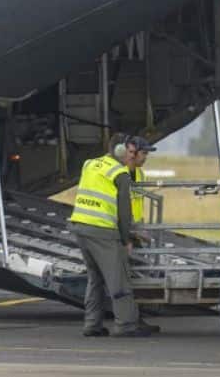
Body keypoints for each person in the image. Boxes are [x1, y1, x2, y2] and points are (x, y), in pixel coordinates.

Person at [68, 135, 159, 338]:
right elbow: (124, 212)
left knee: (95, 278)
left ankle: (92, 324)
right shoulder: (120, 173)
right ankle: (126, 325)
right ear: (120, 150)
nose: (133, 156)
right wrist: (126, 239)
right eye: (130, 151)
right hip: (102, 230)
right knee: (119, 278)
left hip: (80, 226)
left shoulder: (89, 164)